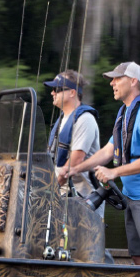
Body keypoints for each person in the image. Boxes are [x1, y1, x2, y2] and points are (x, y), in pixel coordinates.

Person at [60, 62, 140, 267]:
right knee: (137, 256)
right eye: (112, 79)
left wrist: (113, 172)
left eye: (117, 78)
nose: (112, 83)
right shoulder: (124, 113)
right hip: (132, 195)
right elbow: (107, 151)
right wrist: (74, 169)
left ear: (133, 81)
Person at [44, 70, 101, 202]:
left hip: (82, 200)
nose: (52, 93)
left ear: (72, 93)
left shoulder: (85, 119)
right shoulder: (62, 121)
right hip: (62, 196)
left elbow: (75, 162)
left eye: (57, 89)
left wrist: (50, 192)